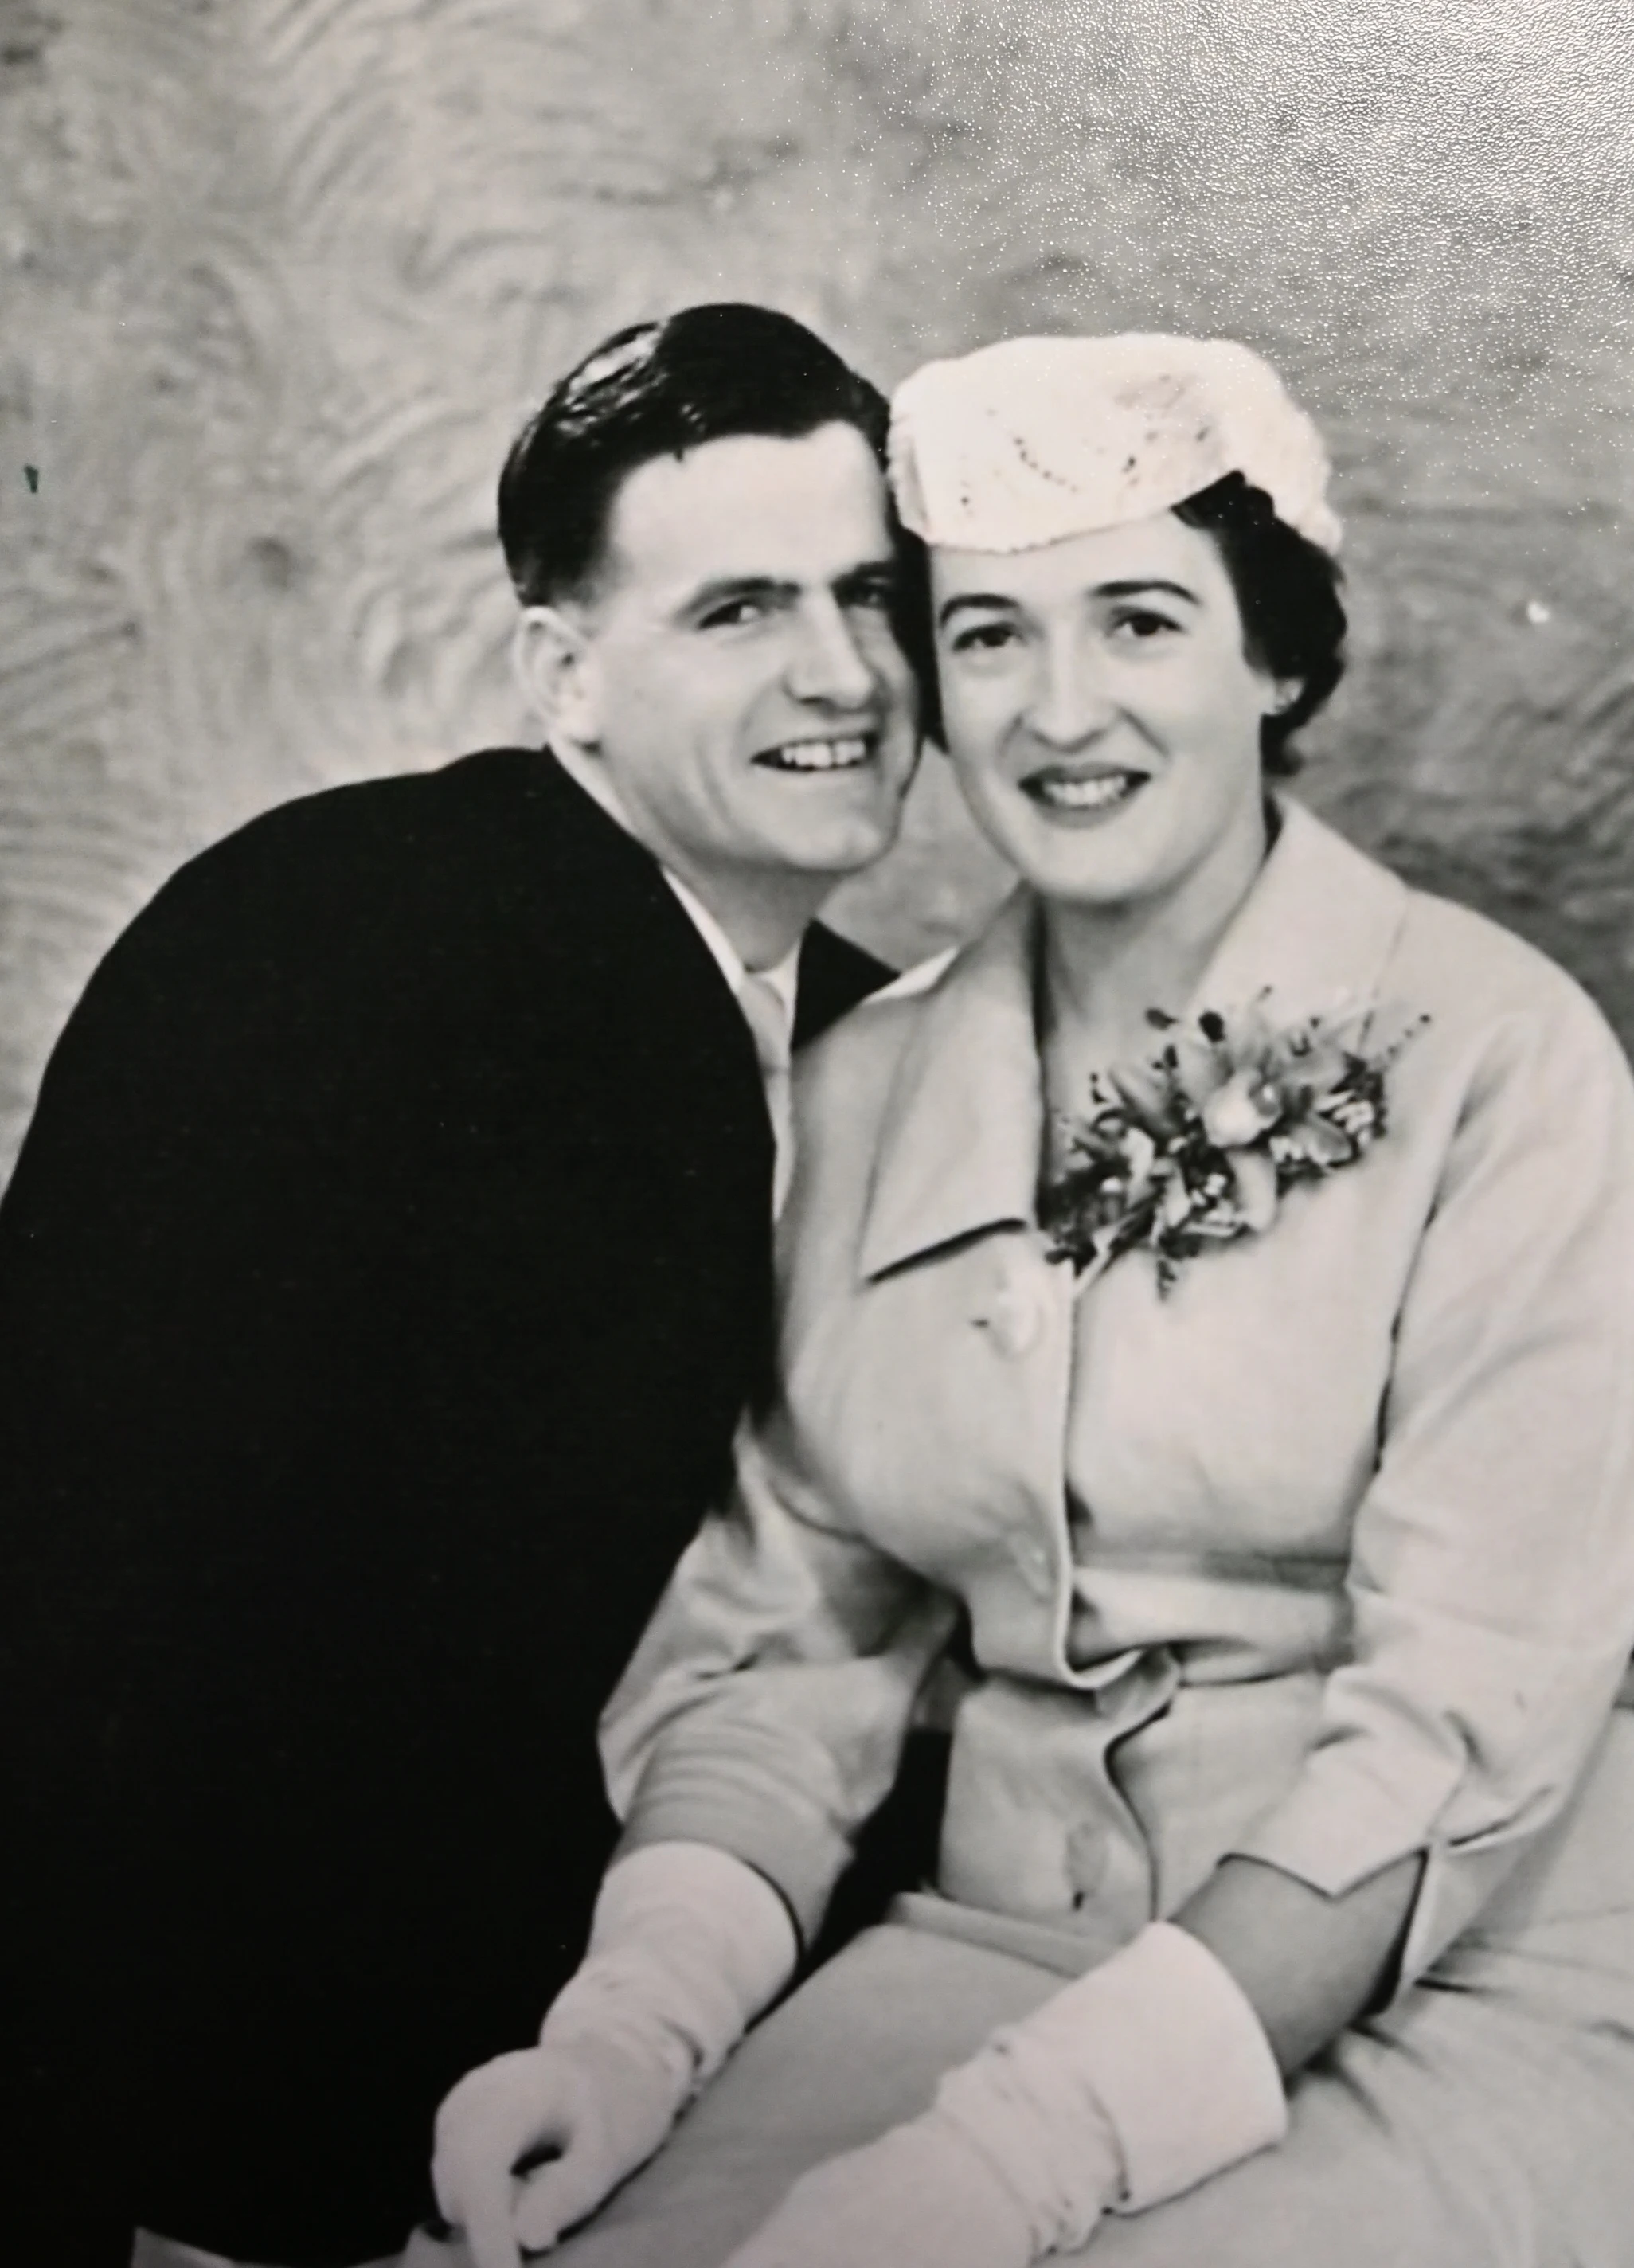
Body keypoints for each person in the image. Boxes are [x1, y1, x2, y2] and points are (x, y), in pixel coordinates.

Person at [431, 334, 1634, 2268]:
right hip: (989, 1957)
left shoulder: (1507, 1061)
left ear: (1278, 658)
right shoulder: (859, 1088)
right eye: (987, 634)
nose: (1060, 711)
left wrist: (1013, 2157)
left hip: (1451, 1985)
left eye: (1140, 620)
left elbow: (1456, 1729)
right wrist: (629, 2031)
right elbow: (787, 1647)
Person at [0, 303, 923, 2268]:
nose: (842, 669)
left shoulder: (867, 1029)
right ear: (561, 673)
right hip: (251, 2103)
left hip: (624, 1997)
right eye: (740, 608)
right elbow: (115, 1598)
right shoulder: (348, 936)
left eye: (872, 591)